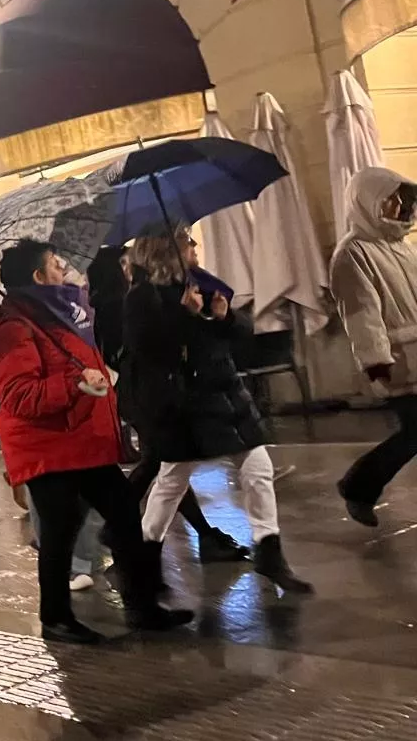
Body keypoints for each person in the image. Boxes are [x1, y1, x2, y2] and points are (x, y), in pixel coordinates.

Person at [0, 240, 195, 644]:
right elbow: (19, 396)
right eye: (55, 265)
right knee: (60, 531)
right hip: (47, 446)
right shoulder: (13, 328)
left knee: (122, 513)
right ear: (37, 277)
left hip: (81, 439)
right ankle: (56, 619)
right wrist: (75, 382)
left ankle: (142, 606)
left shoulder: (60, 316)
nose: (64, 270)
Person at [120, 227, 312, 594]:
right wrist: (186, 316)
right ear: (164, 249)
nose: (193, 247)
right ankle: (143, 558)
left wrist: (223, 317)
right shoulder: (142, 297)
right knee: (172, 481)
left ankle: (269, 551)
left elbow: (239, 334)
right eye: (184, 241)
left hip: (224, 392)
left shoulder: (201, 282)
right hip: (184, 404)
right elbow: (149, 349)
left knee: (257, 467)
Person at [86, 248, 251, 563]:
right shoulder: (120, 303)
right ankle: (119, 528)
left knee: (170, 466)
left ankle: (199, 535)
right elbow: (147, 345)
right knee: (163, 462)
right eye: (121, 263)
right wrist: (182, 315)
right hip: (142, 392)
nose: (128, 266)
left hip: (143, 391)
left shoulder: (125, 299)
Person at [332, 166, 417, 527]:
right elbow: (361, 312)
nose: (400, 208)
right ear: (371, 202)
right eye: (393, 200)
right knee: (414, 433)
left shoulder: (403, 248)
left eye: (404, 201)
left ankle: (359, 485)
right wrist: (376, 362)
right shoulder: (352, 253)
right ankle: (358, 485)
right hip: (401, 360)